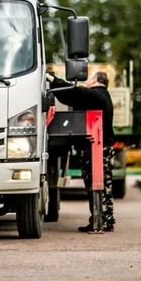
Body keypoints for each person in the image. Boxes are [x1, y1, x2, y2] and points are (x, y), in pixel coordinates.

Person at [48, 71, 115, 232]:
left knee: (96, 185)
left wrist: (53, 80)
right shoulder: (102, 97)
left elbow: (76, 93)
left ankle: (101, 221)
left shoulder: (97, 95)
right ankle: (104, 220)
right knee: (103, 186)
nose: (87, 82)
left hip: (97, 150)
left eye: (90, 79)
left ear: (96, 80)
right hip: (101, 148)